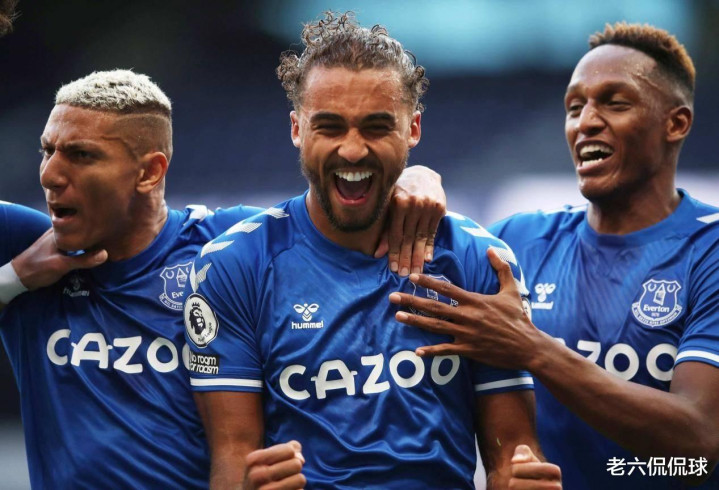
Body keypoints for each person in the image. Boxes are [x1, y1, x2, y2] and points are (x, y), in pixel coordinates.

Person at [0, 69, 446, 488]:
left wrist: (414, 178)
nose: (50, 175)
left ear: (150, 172)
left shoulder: (233, 246)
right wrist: (15, 277)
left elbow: (335, 217)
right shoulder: (26, 244)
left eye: (81, 156)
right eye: (47, 151)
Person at [183, 12, 555, 489]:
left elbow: (512, 456)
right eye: (330, 127)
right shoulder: (233, 266)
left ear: (412, 128)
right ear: (297, 129)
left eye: (377, 127)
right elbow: (233, 459)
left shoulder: (478, 262)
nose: (353, 150)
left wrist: (522, 479)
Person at [389, 22, 719, 489]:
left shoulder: (709, 250)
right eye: (574, 107)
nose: (586, 122)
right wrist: (412, 177)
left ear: (676, 123)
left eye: (615, 103)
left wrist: (532, 348)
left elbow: (698, 445)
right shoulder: (516, 242)